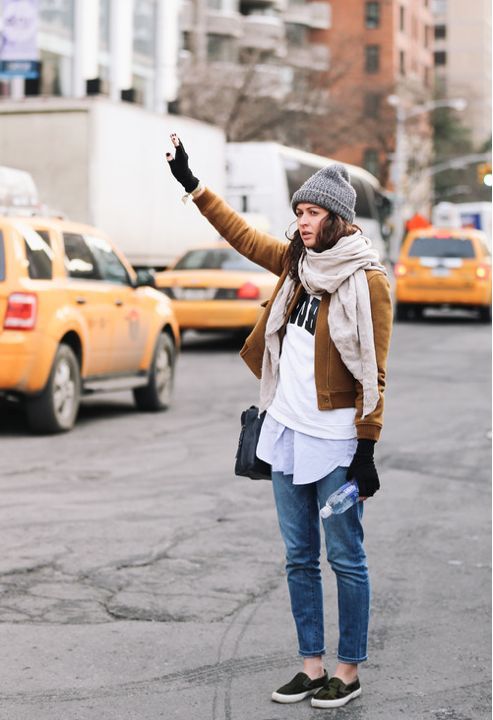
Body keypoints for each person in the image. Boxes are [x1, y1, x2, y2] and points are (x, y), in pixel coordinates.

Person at [166, 134, 393, 710]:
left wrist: (366, 450)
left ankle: (348, 670)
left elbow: (375, 372)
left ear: (338, 219)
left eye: (312, 212)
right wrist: (193, 184)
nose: (302, 221)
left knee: (346, 559)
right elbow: (242, 236)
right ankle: (312, 666)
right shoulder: (296, 265)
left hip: (336, 442)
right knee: (298, 557)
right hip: (287, 431)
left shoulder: (367, 281)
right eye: (299, 211)